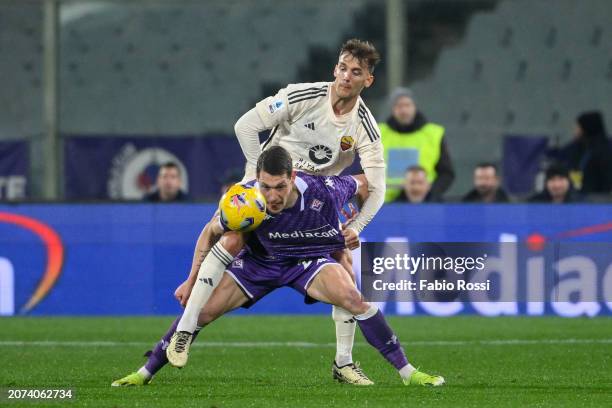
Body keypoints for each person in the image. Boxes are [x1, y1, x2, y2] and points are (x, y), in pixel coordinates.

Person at [113, 39, 386, 386]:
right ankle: (159, 356)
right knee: (226, 234)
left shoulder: (364, 125)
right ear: (335, 68)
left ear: (367, 80)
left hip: (312, 205)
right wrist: (257, 178)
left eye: (356, 72)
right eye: (343, 68)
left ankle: (344, 363)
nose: (347, 76)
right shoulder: (302, 96)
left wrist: (357, 227)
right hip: (270, 191)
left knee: (345, 265)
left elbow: (378, 187)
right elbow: (244, 126)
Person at [170, 147, 443, 386]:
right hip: (263, 261)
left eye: (279, 187)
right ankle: (149, 368)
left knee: (351, 289)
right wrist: (191, 279)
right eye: (266, 187)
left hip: (308, 251)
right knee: (202, 311)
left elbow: (365, 182)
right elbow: (211, 231)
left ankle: (391, 369)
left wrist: (354, 222)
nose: (272, 195)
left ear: (291, 178)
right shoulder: (245, 201)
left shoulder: (324, 189)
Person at [379, 88, 454, 202]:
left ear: (414, 107)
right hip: (386, 204)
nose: (404, 110)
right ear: (392, 109)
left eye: (407, 105)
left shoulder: (434, 134)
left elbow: (446, 173)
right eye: (399, 106)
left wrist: (430, 195)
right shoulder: (378, 133)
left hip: (424, 204)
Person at [557, 111, 612, 194]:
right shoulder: (578, 147)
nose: (576, 130)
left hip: (601, 199)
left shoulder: (605, 150)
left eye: (578, 127)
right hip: (578, 196)